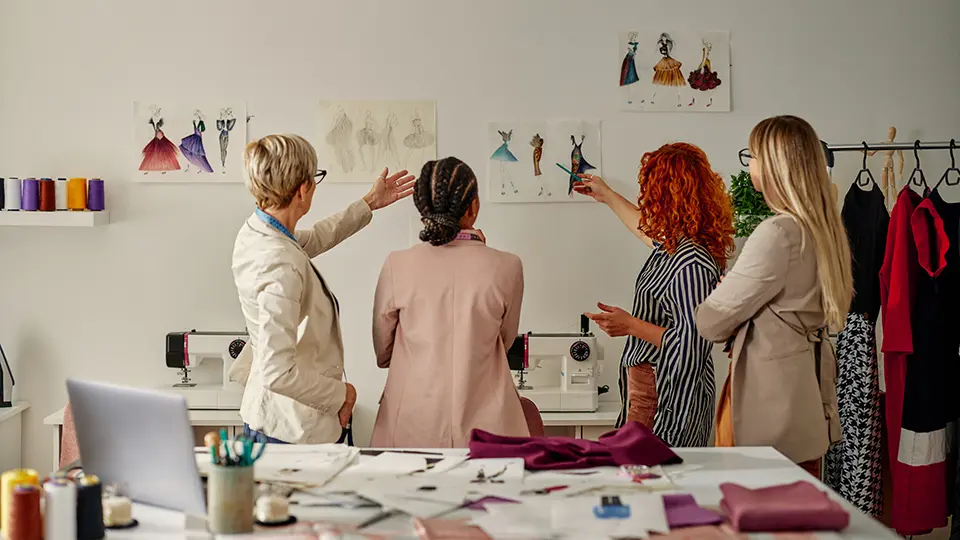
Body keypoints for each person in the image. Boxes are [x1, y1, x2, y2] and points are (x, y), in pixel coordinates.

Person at [231, 133, 415, 444]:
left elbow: (315, 237)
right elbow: (278, 372)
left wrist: (370, 202)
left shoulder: (259, 231)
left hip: (272, 418)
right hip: (289, 431)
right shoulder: (280, 264)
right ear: (303, 189)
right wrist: (342, 394)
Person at [696, 115, 851, 477]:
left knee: (760, 517)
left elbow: (709, 322)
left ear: (774, 165)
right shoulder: (824, 230)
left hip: (769, 406)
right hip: (804, 399)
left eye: (752, 155)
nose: (749, 164)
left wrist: (728, 294)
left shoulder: (778, 233)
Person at [574, 142, 734, 447]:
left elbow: (691, 343)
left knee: (648, 480)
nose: (644, 198)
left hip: (663, 399)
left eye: (650, 189)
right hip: (653, 392)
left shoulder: (691, 262)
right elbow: (646, 231)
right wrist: (606, 195)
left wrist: (630, 325)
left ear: (668, 195)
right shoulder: (676, 248)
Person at [370, 157, 528, 448]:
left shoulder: (398, 264)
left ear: (422, 209)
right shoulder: (508, 266)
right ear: (473, 207)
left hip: (411, 422)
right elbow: (504, 342)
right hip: (490, 427)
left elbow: (383, 351)